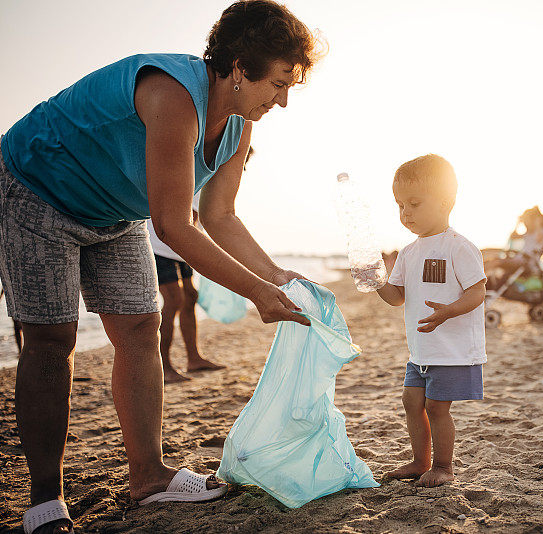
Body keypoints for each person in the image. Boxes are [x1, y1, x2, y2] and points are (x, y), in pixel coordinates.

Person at [0, 2, 319, 532]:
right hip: (39, 188)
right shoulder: (172, 94)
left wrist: (277, 276)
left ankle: (147, 477)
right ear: (239, 68)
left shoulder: (240, 129)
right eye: (279, 83)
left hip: (116, 211)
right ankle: (43, 500)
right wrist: (257, 293)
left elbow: (219, 214)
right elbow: (173, 226)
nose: (284, 100)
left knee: (140, 329)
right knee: (52, 338)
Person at [376, 154, 487, 488]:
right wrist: (375, 280)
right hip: (421, 350)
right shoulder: (409, 252)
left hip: (451, 349)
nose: (405, 213)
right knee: (412, 402)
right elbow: (396, 296)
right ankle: (419, 460)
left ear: (444, 202)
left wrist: (448, 312)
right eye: (399, 205)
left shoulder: (459, 247)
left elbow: (477, 291)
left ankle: (443, 466)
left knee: (438, 407)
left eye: (413, 203)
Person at [147, 192, 224, 383]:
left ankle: (194, 358)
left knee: (190, 295)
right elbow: (193, 220)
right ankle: (164, 366)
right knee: (174, 300)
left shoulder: (213, 181)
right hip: (161, 242)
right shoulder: (205, 179)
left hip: (179, 245)